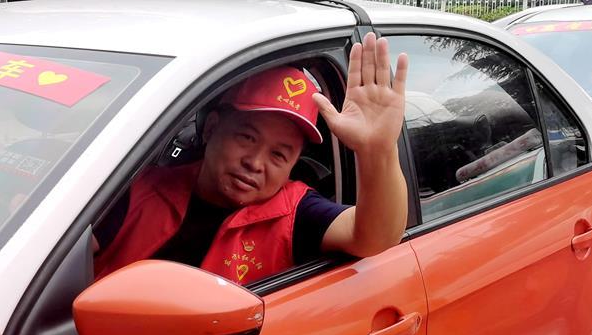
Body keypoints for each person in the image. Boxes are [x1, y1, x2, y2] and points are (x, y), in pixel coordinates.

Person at [94, 32, 409, 285]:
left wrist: (378, 150)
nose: (256, 163)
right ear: (212, 128)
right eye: (247, 138)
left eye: (279, 154)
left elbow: (374, 237)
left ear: (294, 164)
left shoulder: (294, 213)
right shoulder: (140, 189)